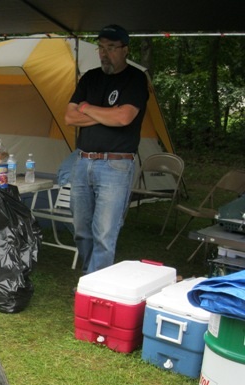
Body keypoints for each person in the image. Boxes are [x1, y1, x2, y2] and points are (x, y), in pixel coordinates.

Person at [64, 24, 148, 275]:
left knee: (104, 232)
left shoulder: (135, 79)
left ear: (125, 50)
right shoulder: (90, 77)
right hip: (82, 161)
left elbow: (123, 117)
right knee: (81, 229)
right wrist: (106, 114)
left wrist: (86, 108)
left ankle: (94, 285)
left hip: (116, 165)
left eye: (111, 47)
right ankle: (90, 278)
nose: (104, 53)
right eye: (101, 47)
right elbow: (69, 117)